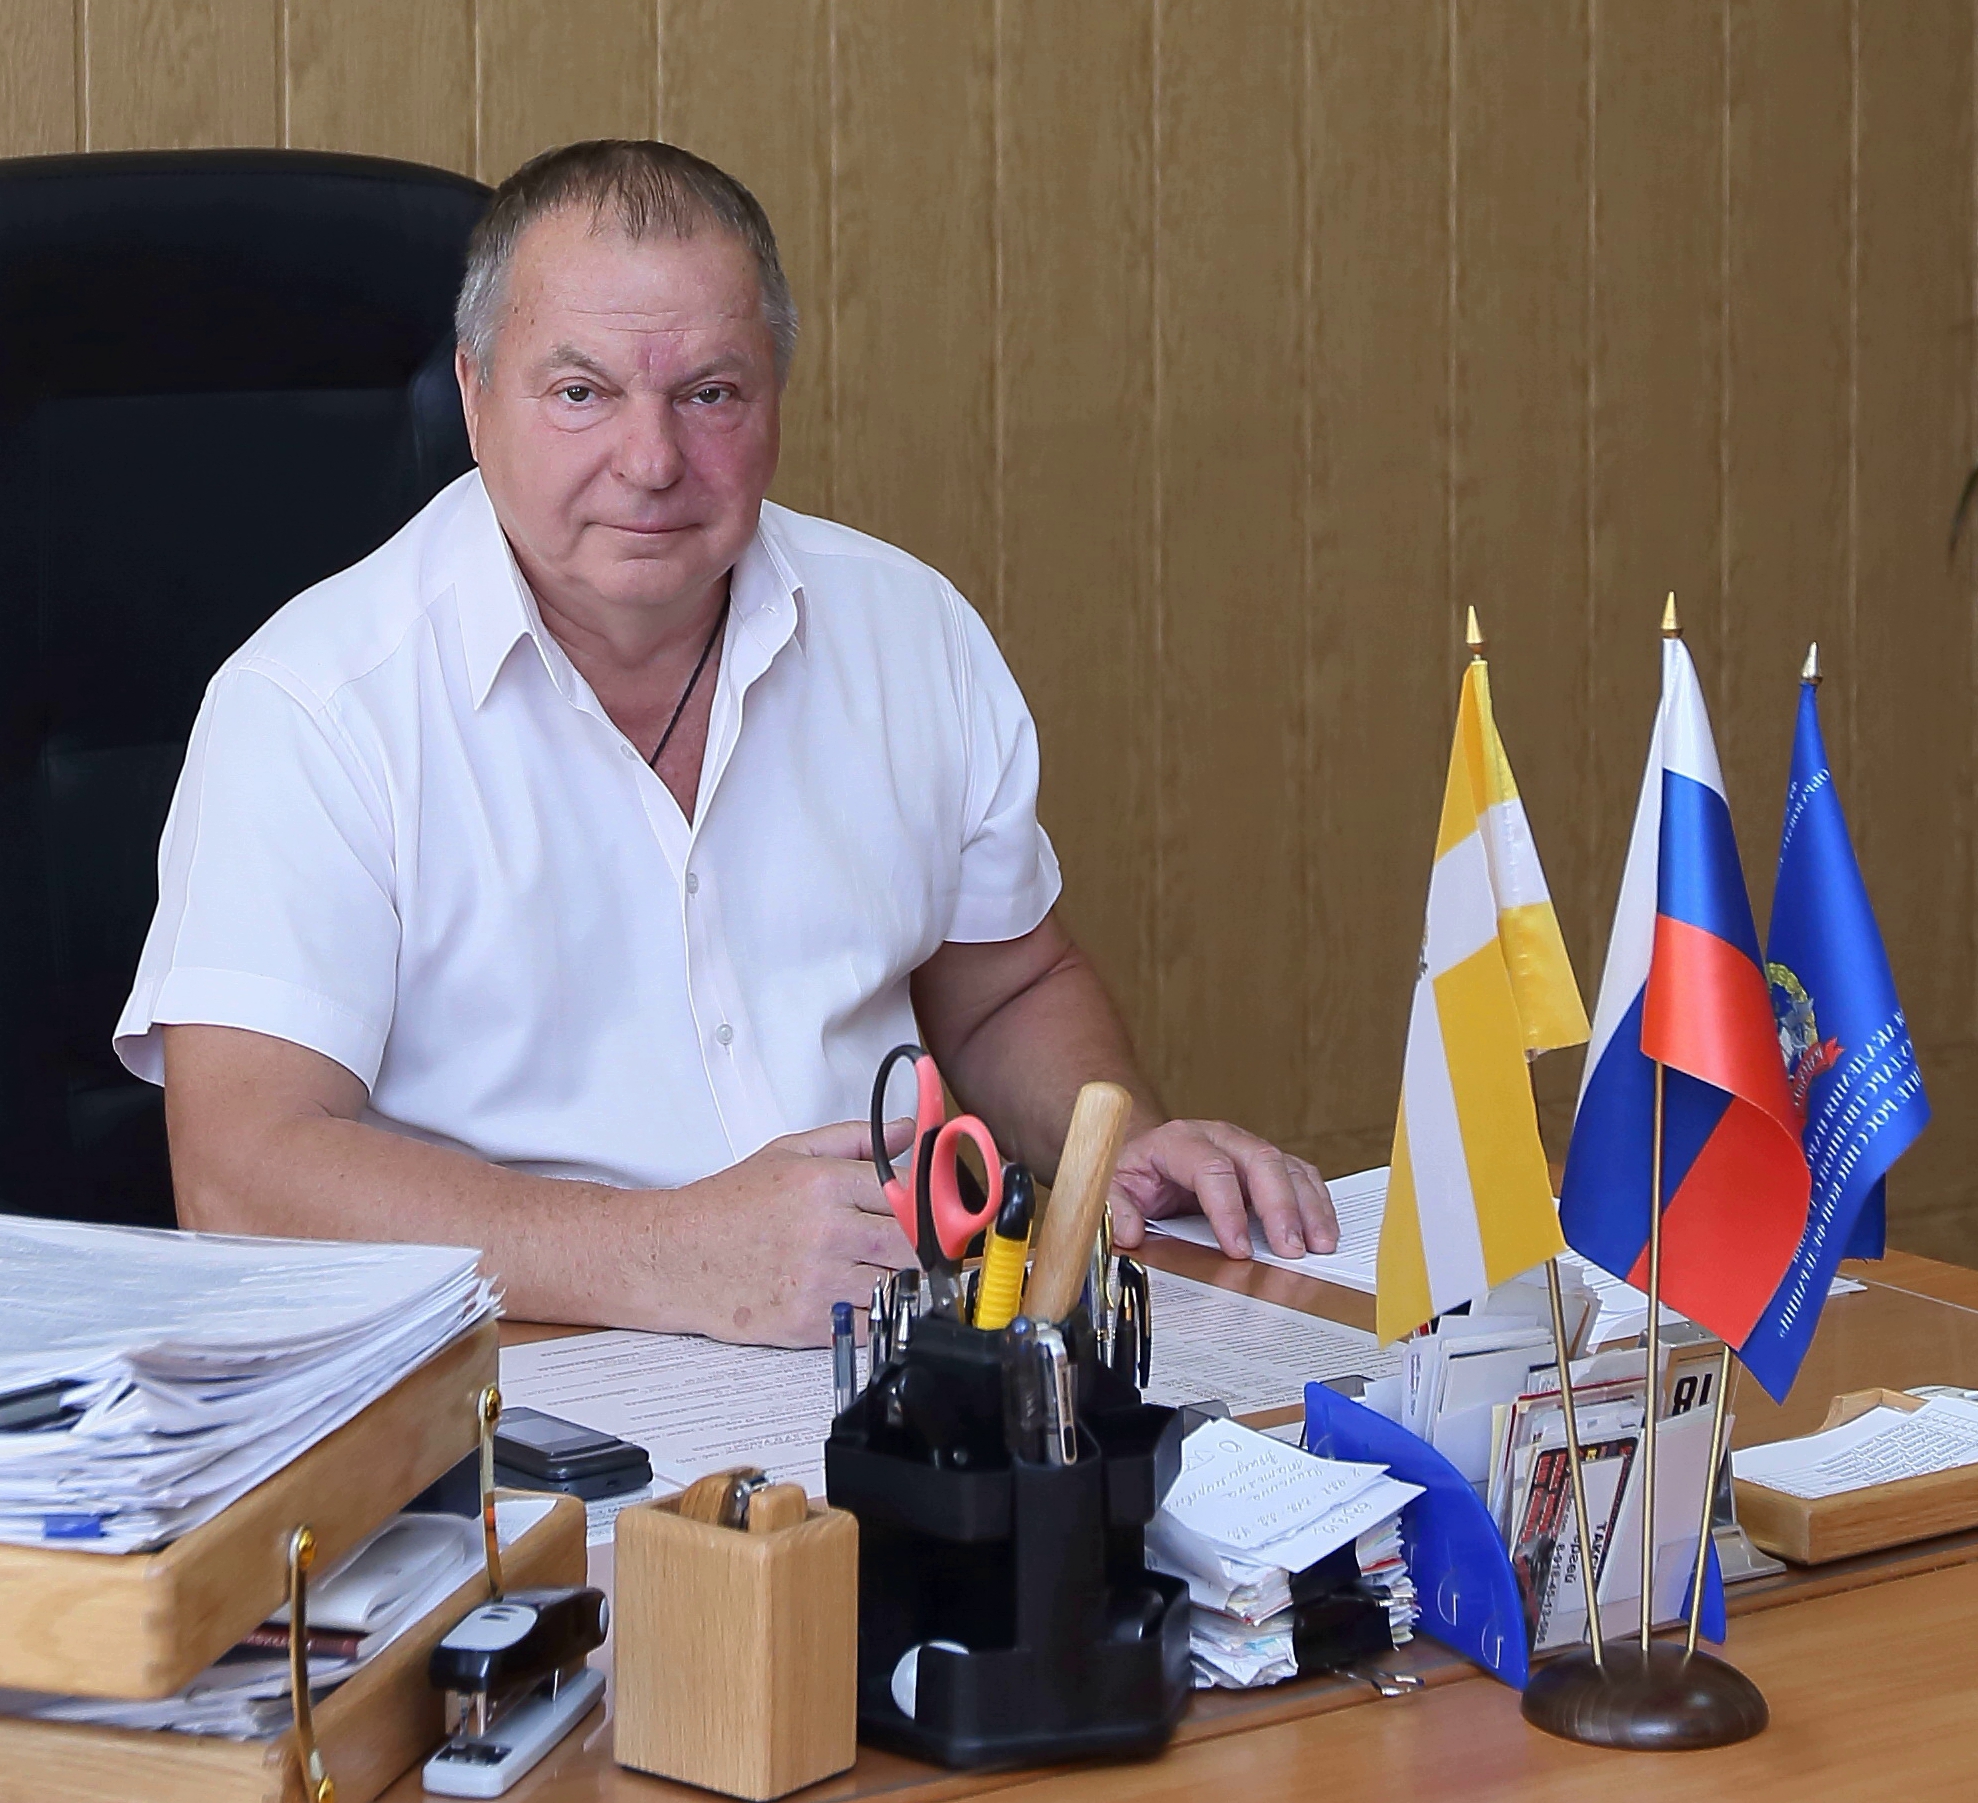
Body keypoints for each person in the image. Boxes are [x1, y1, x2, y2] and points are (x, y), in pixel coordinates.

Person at [116, 140, 1337, 1346]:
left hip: (886, 1346)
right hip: (511, 1377)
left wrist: (1115, 1152)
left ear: (773, 399)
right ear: (475, 395)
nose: (651, 462)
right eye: (580, 392)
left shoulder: (907, 627)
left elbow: (1007, 987)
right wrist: (670, 1255)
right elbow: (242, 1175)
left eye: (709, 394)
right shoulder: (315, 703)